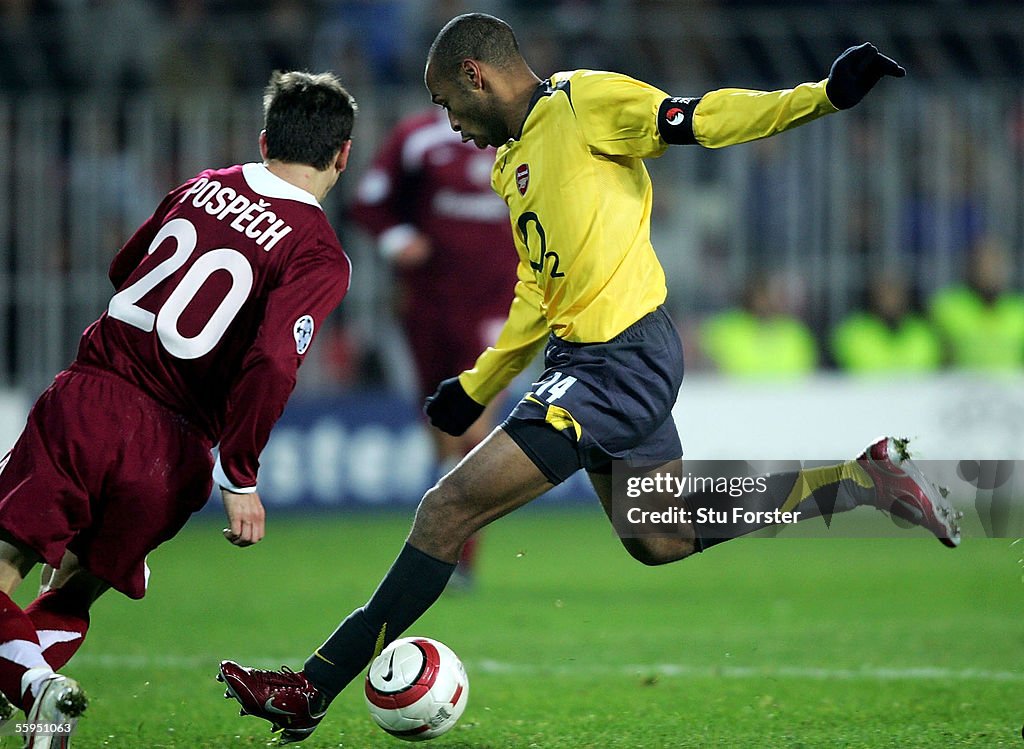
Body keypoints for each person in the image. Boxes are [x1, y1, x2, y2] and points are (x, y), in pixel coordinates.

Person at [219, 14, 960, 744]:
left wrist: (822, 96)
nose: (449, 123)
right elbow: (538, 292)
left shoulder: (584, 103)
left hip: (621, 356)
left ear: (477, 76)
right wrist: (479, 383)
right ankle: (864, 480)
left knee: (445, 509)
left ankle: (311, 686)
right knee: (658, 537)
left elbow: (703, 119)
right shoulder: (512, 166)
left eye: (448, 101)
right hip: (590, 359)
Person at [0, 70, 357, 746]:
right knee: (75, 591)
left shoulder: (202, 184)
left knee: (5, 568)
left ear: (263, 139)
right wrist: (240, 473)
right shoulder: (319, 253)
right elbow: (276, 359)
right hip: (177, 453)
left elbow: (123, 267)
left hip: (94, 398)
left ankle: (32, 685)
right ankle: (38, 701)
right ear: (343, 154)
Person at [349, 106, 518, 587]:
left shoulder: (523, 130)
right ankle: (449, 547)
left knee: (473, 423)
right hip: (427, 304)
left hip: (499, 303)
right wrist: (397, 238)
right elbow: (368, 201)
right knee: (442, 434)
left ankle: (457, 558)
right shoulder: (416, 135)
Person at [929, 237, 1024, 371]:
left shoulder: (1019, 310)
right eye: (983, 264)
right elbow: (938, 356)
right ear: (971, 267)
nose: (989, 270)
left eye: (995, 263)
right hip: (963, 389)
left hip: (1011, 390)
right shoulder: (949, 307)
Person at [700, 272, 819, 378]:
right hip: (733, 400)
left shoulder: (796, 333)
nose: (766, 300)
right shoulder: (724, 328)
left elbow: (807, 378)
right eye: (763, 294)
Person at [832, 272, 942, 374]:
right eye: (884, 293)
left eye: (896, 293)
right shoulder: (852, 333)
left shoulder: (924, 333)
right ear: (872, 296)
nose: (890, 300)